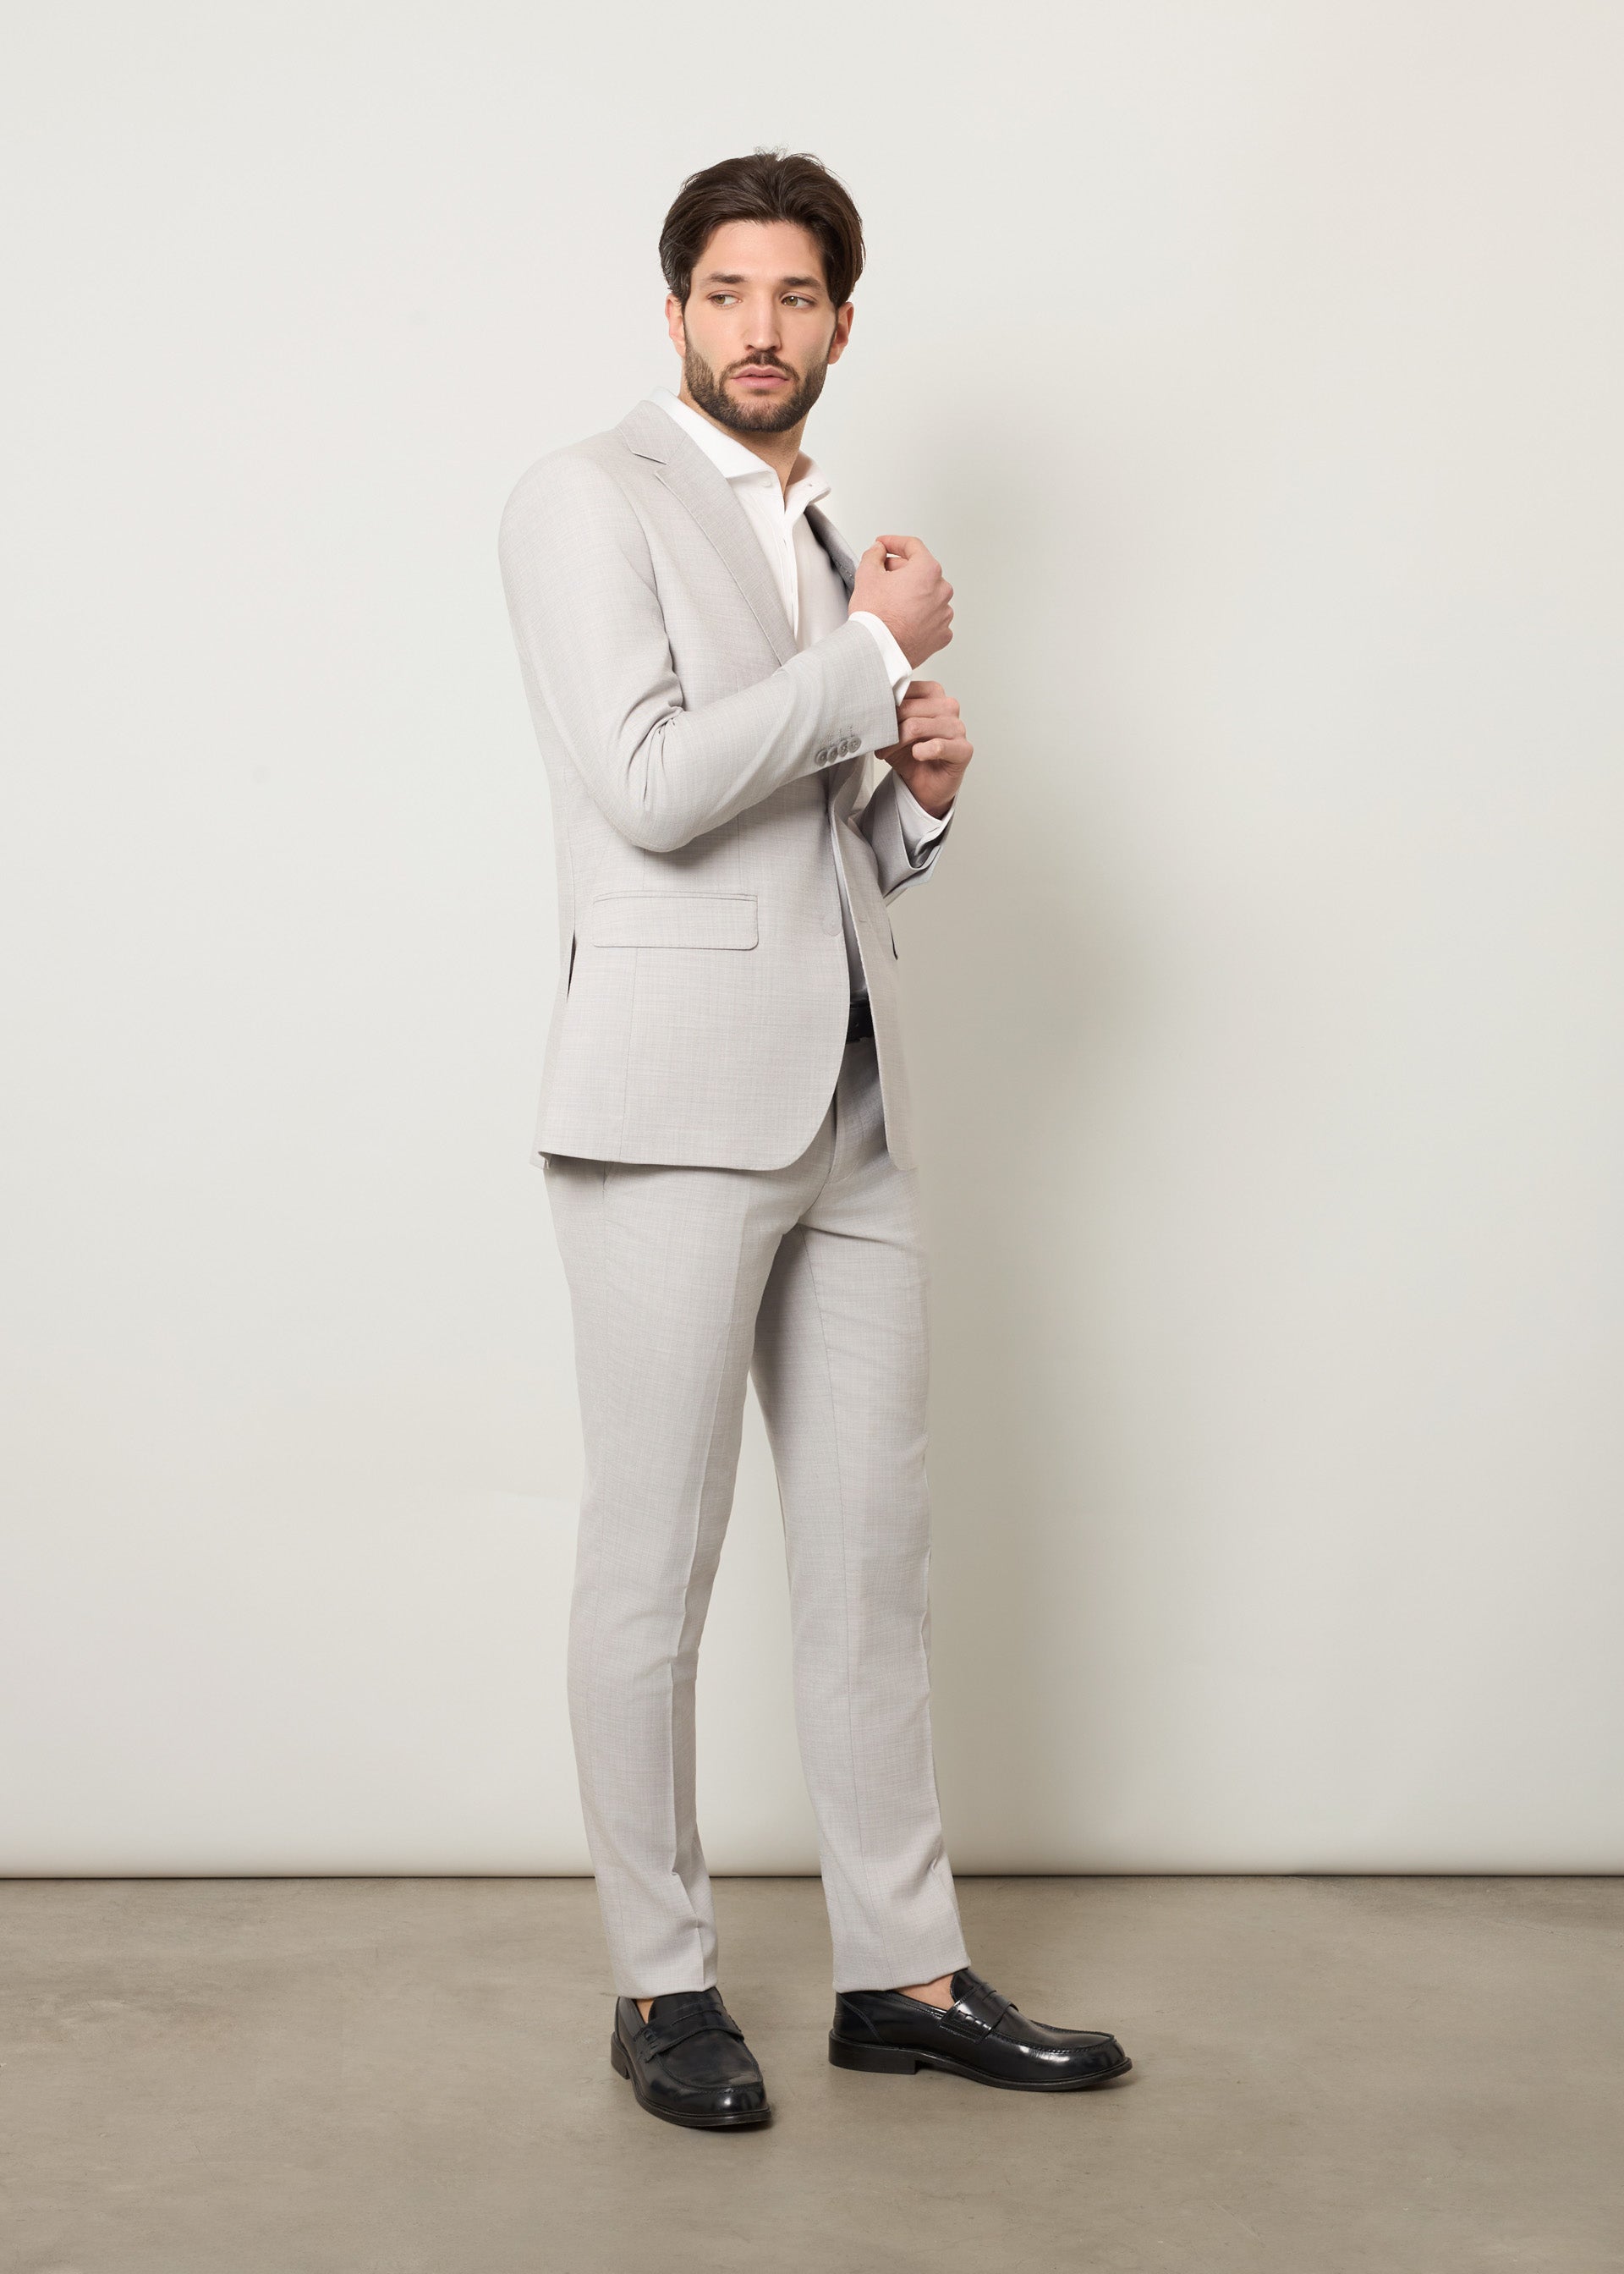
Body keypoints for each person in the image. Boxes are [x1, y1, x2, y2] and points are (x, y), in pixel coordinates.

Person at [497, 147, 1131, 2130]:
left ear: (843, 318)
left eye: (795, 296)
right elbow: (652, 784)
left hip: (853, 1099)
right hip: (672, 1103)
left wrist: (915, 793)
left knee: (872, 1558)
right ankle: (661, 1984)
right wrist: (871, 659)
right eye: (727, 293)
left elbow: (817, 845)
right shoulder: (583, 499)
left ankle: (901, 1973)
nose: (760, 329)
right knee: (654, 1559)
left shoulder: (830, 525)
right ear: (673, 309)